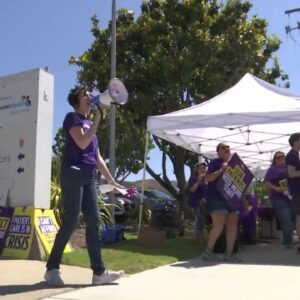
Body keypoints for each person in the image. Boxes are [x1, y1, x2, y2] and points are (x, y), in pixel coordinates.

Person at [45, 86, 125, 286]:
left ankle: (99, 273)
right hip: (72, 173)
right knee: (71, 221)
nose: (90, 96)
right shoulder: (72, 118)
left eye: (90, 93)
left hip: (89, 177)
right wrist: (98, 119)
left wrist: (111, 180)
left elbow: (97, 158)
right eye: (85, 94)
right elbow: (81, 142)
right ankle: (52, 269)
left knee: (94, 221)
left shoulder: (90, 124)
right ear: (77, 101)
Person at [201, 143, 240, 262]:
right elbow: (207, 178)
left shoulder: (235, 165)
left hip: (232, 198)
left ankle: (229, 254)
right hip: (216, 198)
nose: (226, 149)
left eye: (228, 147)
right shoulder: (215, 162)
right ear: (218, 152)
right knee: (218, 225)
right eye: (223, 147)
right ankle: (208, 251)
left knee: (232, 226)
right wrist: (221, 170)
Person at [264, 151, 294, 248]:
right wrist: (275, 188)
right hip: (278, 198)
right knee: (286, 221)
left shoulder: (289, 167)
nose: (281, 158)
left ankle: (287, 239)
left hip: (291, 198)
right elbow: (266, 182)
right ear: (275, 160)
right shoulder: (272, 169)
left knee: (290, 221)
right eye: (278, 157)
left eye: (282, 156)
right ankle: (288, 242)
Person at [286, 132, 300, 253]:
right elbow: (291, 173)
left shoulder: (295, 154)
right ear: (296, 141)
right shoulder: (292, 155)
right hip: (297, 191)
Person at [187, 163, 207, 241]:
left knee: (202, 220)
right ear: (196, 170)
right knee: (199, 219)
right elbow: (192, 190)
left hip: (204, 203)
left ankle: (199, 236)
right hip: (195, 203)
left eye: (204, 168)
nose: (202, 170)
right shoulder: (193, 178)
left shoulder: (207, 179)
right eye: (200, 168)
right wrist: (198, 181)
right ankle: (197, 236)